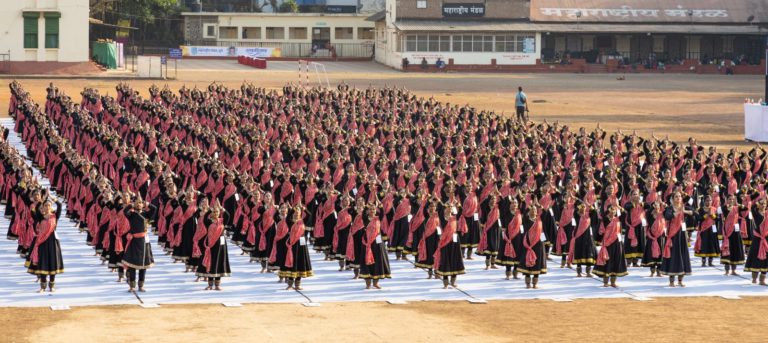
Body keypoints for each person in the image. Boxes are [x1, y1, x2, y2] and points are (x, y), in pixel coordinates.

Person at [25, 199, 63, 293]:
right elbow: (37, 208)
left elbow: (60, 206)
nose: (47, 207)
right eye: (45, 205)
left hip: (53, 242)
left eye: (49, 205)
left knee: (52, 263)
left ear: (51, 206)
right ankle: (42, 287)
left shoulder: (55, 216)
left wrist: (53, 199)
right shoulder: (40, 217)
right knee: (43, 262)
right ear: (43, 207)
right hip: (42, 243)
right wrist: (42, 200)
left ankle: (52, 286)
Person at [120, 196, 155, 292]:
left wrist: (148, 204)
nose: (139, 204)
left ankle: (141, 285)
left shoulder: (145, 214)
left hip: (144, 242)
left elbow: (154, 209)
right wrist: (130, 204)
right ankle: (132, 286)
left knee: (143, 265)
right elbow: (124, 212)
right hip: (134, 241)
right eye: (137, 202)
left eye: (140, 202)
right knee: (132, 265)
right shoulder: (131, 214)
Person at [195, 203, 231, 291]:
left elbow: (228, 216)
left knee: (219, 263)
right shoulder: (209, 222)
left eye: (217, 212)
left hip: (221, 247)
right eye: (214, 212)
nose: (216, 213)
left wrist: (222, 208)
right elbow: (205, 217)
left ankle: (217, 285)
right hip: (211, 246)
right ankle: (210, 285)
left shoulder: (222, 221)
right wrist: (210, 209)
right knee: (211, 264)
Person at [661, 192, 693, 287]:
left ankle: (680, 280)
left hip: (682, 235)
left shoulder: (684, 207)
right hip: (673, 236)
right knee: (674, 256)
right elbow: (667, 216)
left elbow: (694, 212)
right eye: (676, 196)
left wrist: (685, 211)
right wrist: (679, 211)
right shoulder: (669, 208)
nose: (678, 198)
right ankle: (671, 281)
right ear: (673, 198)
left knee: (683, 255)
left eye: (679, 196)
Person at [594, 205, 628, 287]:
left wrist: (619, 206)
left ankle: (613, 282)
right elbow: (600, 232)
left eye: (615, 210)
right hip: (608, 244)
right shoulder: (605, 220)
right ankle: (605, 282)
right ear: (609, 210)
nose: (614, 211)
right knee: (607, 262)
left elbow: (625, 213)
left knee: (616, 261)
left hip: (617, 243)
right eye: (612, 209)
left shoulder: (618, 219)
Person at [358, 205, 392, 289]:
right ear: (368, 211)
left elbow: (383, 213)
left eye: (373, 209)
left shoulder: (378, 218)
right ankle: (368, 284)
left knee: (378, 260)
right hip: (367, 242)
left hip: (378, 240)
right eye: (370, 209)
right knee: (367, 262)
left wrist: (380, 206)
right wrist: (366, 206)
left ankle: (376, 283)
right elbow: (363, 214)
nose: (372, 210)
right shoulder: (365, 219)